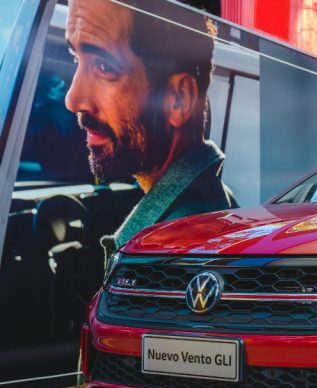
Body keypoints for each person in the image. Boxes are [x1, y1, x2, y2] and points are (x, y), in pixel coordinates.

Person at [64, 0, 237, 259]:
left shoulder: (165, 254)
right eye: (76, 58)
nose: (72, 99)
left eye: (104, 66)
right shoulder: (214, 200)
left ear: (178, 99)